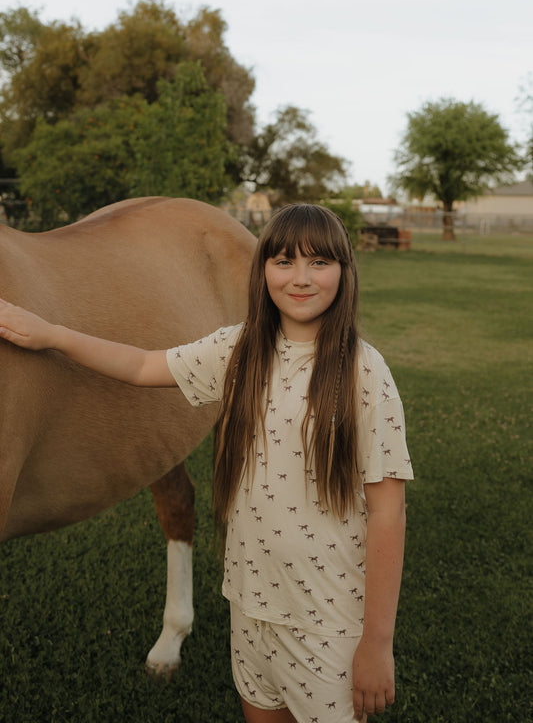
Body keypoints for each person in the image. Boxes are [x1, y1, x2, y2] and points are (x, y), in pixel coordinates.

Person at [0, 203, 413, 723]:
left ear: (345, 273)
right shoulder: (238, 349)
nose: (301, 278)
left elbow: (389, 512)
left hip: (327, 616)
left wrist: (376, 642)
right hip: (249, 604)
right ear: (261, 271)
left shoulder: (365, 373)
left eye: (320, 263)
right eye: (283, 263)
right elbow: (143, 364)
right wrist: (53, 335)